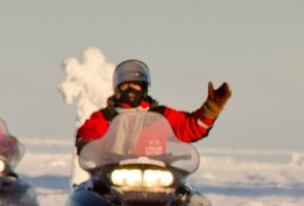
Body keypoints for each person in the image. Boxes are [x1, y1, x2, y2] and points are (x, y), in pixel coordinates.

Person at [74, 59, 232, 152]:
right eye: (126, 84)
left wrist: (211, 108)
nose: (131, 89)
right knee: (88, 196)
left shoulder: (160, 115)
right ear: (117, 87)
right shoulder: (104, 117)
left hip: (156, 179)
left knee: (190, 200)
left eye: (136, 85)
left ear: (144, 88)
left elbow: (190, 127)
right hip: (112, 179)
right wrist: (89, 146)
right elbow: (87, 135)